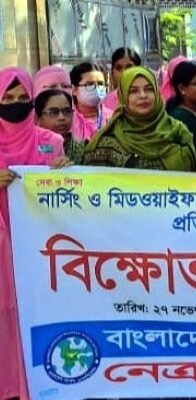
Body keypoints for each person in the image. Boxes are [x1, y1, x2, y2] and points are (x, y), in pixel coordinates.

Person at [0, 67, 70, 400]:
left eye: (22, 97)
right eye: (7, 98)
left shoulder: (51, 142)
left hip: (39, 250)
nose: (15, 104)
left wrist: (66, 173)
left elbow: (67, 198)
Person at [83, 67, 196, 171]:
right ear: (123, 97)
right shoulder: (106, 143)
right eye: (133, 91)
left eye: (149, 89)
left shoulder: (178, 133)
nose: (143, 95)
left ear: (157, 93)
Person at [34, 65, 96, 141]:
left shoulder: (89, 129)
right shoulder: (27, 134)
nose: (60, 91)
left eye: (66, 86)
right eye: (52, 87)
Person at [35, 89, 86, 164]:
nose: (62, 117)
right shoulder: (31, 147)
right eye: (53, 112)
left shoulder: (84, 150)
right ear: (37, 118)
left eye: (67, 111)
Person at [70, 62, 111, 134]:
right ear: (74, 90)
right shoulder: (68, 120)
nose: (97, 88)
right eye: (90, 84)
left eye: (100, 84)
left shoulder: (113, 117)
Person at [105, 47, 142, 112]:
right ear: (112, 73)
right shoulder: (105, 103)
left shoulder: (146, 98)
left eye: (129, 67)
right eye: (118, 68)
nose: (124, 72)